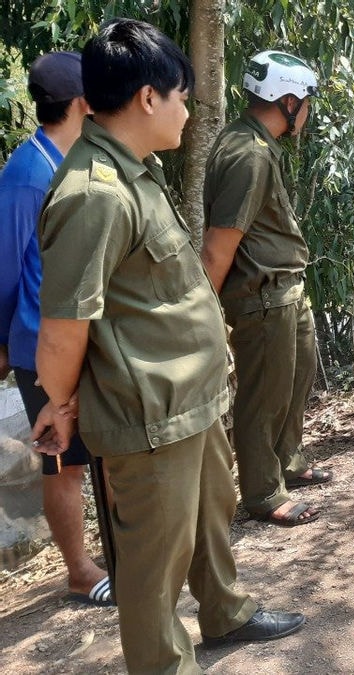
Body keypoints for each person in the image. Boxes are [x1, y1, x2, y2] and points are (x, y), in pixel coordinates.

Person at [32, 19, 304, 673]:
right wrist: (61, 404)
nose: (188, 108)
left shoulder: (138, 171)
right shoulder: (93, 193)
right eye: (182, 95)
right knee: (153, 565)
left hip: (191, 397)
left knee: (211, 516)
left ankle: (225, 611)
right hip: (148, 414)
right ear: (148, 98)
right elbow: (64, 328)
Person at [0, 51, 112, 608]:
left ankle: (123, 551)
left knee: (106, 449)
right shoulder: (26, 174)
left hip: (86, 336)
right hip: (40, 343)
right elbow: (4, 269)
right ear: (83, 102)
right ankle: (79, 569)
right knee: (64, 461)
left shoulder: (79, 160)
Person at [201, 50, 330, 528]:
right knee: (264, 395)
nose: (309, 113)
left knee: (295, 380)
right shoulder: (247, 156)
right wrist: (205, 315)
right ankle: (262, 492)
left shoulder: (254, 144)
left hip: (286, 290)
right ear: (290, 100)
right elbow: (218, 247)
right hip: (262, 295)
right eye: (309, 103)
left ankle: (288, 462)